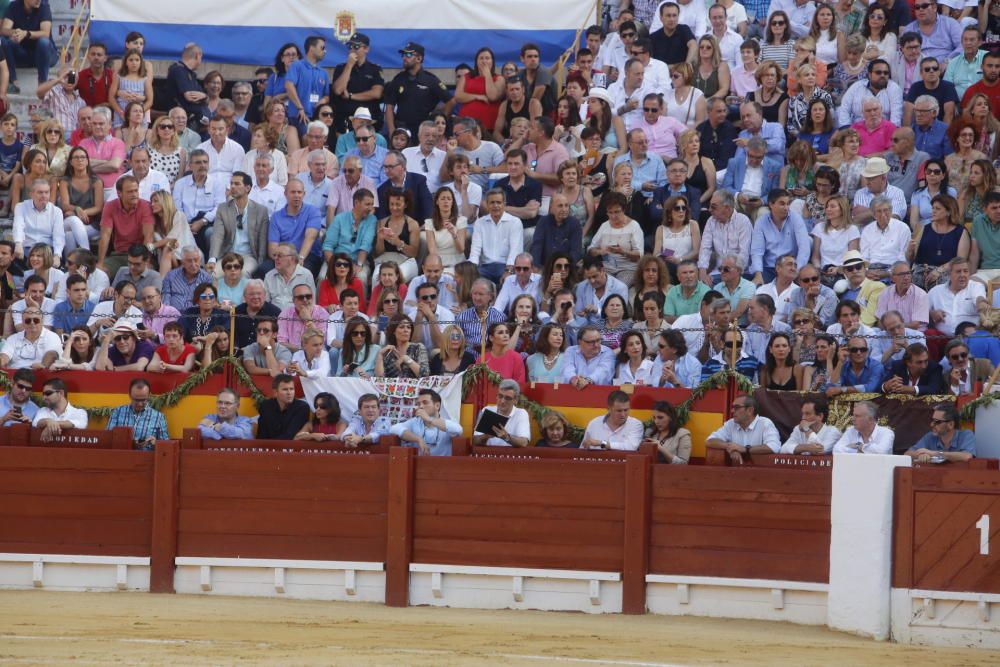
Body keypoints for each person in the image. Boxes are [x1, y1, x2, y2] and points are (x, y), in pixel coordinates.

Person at [707, 394, 781, 463]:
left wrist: (745, 449)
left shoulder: (765, 423)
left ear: (750, 410)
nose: (732, 411)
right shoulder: (731, 424)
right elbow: (710, 441)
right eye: (733, 408)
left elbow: (774, 447)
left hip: (761, 472)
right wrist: (732, 448)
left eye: (737, 407)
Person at [1, 0, 57, 90]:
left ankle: (42, 84)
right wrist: (15, 33)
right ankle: (12, 80)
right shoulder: (14, 6)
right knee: (3, 40)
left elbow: (45, 33)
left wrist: (26, 34)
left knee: (43, 42)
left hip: (45, 55)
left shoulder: (44, 7)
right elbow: (4, 30)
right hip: (23, 54)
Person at [928, 257, 988, 336]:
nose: (962, 275)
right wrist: (932, 314)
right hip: (942, 338)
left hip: (968, 337)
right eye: (958, 272)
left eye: (965, 271)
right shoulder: (935, 291)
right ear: (949, 274)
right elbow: (921, 312)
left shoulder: (976, 287)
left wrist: (981, 303)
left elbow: (979, 298)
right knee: (929, 334)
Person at [392, 389, 462, 457]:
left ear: (437, 406)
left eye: (425, 402)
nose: (421, 406)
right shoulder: (414, 422)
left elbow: (458, 430)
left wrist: (429, 419)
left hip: (443, 466)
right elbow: (394, 429)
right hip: (419, 466)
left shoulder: (445, 422)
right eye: (419, 404)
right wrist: (418, 439)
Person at [106, 378, 168, 451]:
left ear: (149, 395)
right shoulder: (118, 412)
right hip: (121, 457)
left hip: (145, 460)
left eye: (143, 400)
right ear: (129, 395)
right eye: (136, 400)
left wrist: (156, 444)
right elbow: (107, 438)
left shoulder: (158, 417)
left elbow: (166, 446)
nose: (140, 404)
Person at [907, 403, 976, 463]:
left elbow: (967, 456)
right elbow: (907, 454)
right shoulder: (930, 436)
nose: (932, 424)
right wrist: (921, 455)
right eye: (932, 420)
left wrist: (933, 454)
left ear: (951, 424)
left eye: (937, 422)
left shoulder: (966, 435)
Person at [256, 373, 310, 440]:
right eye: (285, 389)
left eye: (291, 389)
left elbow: (290, 435)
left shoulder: (302, 407)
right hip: (267, 447)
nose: (289, 393)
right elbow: (262, 434)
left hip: (292, 448)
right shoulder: (266, 406)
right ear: (275, 392)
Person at [561, 324, 615, 388]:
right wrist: (573, 379)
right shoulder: (571, 351)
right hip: (574, 392)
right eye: (591, 342)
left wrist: (588, 380)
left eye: (598, 340)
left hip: (599, 393)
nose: (596, 345)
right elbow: (567, 369)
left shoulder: (607, 352)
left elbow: (603, 371)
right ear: (580, 342)